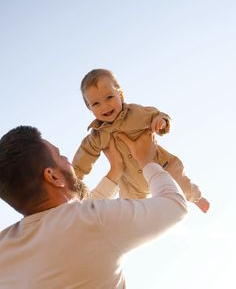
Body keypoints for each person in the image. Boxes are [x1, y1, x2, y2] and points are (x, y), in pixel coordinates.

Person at [0, 126, 187, 289]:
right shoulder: (91, 221)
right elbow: (174, 205)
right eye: (60, 156)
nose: (68, 160)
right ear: (53, 177)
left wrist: (115, 172)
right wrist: (146, 161)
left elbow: (76, 227)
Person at [73, 69, 210, 213]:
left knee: (183, 185)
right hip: (131, 183)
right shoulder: (96, 136)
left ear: (120, 94)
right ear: (89, 107)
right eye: (96, 104)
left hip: (160, 165)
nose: (105, 106)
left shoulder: (135, 113)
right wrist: (73, 177)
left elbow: (157, 115)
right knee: (131, 210)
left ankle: (196, 198)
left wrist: (160, 122)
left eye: (109, 97)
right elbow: (84, 155)